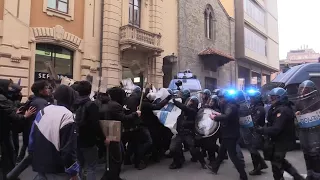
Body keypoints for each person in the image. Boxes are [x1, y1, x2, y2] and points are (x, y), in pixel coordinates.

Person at [29, 85, 79, 180]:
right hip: (57, 167)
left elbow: (32, 138)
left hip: (40, 163)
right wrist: (73, 172)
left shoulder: (43, 111)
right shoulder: (67, 115)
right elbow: (68, 148)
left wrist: (33, 156)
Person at [256, 87, 304, 180]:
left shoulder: (283, 110)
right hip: (277, 140)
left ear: (280, 98)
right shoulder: (275, 108)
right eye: (271, 97)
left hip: (282, 140)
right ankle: (298, 177)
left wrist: (262, 130)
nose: (271, 100)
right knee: (280, 161)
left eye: (274, 98)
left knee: (276, 165)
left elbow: (276, 128)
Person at [100, 87, 141, 180]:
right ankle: (111, 177)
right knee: (116, 158)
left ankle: (113, 176)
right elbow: (123, 118)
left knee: (116, 156)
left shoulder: (107, 104)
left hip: (109, 133)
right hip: (113, 134)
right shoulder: (116, 106)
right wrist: (135, 114)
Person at [0, 79, 36, 180]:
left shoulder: (4, 98)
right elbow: (13, 116)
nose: (10, 88)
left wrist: (15, 111)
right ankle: (9, 176)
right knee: (8, 154)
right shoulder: (2, 98)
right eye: (9, 86)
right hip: (4, 131)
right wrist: (25, 116)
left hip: (5, 130)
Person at [209, 89, 248, 180]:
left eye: (222, 97)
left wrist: (215, 117)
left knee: (233, 156)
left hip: (230, 135)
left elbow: (226, 116)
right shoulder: (229, 105)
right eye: (220, 98)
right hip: (228, 134)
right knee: (221, 152)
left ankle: (243, 175)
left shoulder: (231, 106)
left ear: (226, 98)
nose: (220, 99)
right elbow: (226, 115)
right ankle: (215, 168)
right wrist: (218, 114)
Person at [74, 81, 106, 180]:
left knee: (79, 164)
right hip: (88, 140)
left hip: (76, 138)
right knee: (91, 167)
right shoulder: (91, 105)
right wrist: (103, 138)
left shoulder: (74, 103)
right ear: (89, 90)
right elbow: (95, 125)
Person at [17, 80, 50, 163]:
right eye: (46, 88)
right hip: (35, 131)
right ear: (40, 91)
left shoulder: (34, 100)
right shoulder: (41, 102)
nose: (48, 89)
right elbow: (42, 118)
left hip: (29, 130)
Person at [169, 95, 207, 169]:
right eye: (190, 101)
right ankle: (177, 162)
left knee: (194, 149)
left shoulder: (194, 111)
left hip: (188, 133)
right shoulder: (182, 111)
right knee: (173, 148)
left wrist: (174, 101)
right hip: (180, 133)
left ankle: (203, 163)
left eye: (191, 101)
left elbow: (185, 108)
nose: (189, 102)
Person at [295, 80, 320, 180]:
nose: (303, 92)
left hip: (316, 133)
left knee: (316, 156)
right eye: (301, 89)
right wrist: (297, 115)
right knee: (307, 155)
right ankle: (310, 175)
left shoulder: (318, 101)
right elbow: (296, 117)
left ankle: (317, 176)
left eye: (305, 90)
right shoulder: (299, 102)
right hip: (303, 132)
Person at [246, 90, 268, 175]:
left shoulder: (259, 108)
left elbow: (255, 120)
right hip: (252, 130)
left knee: (253, 149)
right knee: (252, 149)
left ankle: (257, 168)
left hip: (257, 131)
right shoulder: (253, 106)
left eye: (252, 98)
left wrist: (247, 123)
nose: (250, 99)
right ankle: (261, 165)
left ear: (256, 98)